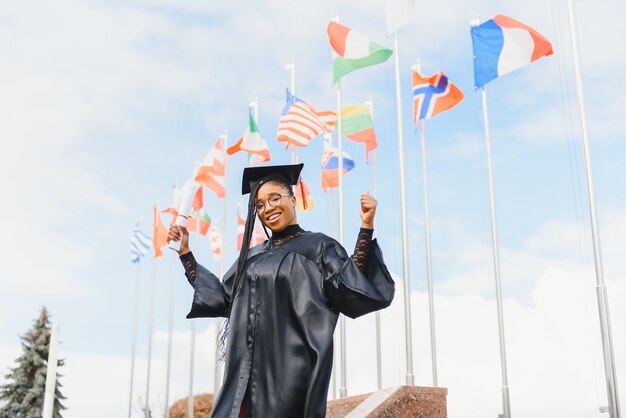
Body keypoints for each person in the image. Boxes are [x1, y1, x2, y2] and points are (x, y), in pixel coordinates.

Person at [168, 163, 395, 418]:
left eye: (275, 198)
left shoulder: (318, 246)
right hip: (243, 371)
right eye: (261, 205)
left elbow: (350, 286)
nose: (269, 208)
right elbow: (222, 298)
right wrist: (186, 253)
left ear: (293, 199)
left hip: (290, 369)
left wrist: (366, 226)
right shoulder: (252, 255)